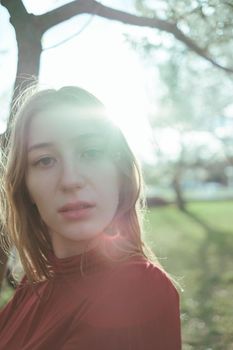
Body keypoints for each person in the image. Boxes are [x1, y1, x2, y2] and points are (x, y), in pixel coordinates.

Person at [0, 86, 181, 349]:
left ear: (120, 175)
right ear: (25, 186)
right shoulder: (34, 283)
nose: (70, 180)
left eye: (91, 153)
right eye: (45, 160)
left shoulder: (136, 288)